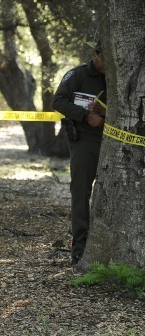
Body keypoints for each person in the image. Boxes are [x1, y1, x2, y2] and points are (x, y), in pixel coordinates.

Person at [52, 41, 106, 265]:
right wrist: (85, 116)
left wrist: (106, 111)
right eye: (104, 58)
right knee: (81, 192)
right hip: (84, 140)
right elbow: (58, 101)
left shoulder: (121, 75)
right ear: (96, 54)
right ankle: (80, 248)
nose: (107, 64)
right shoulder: (77, 75)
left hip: (113, 141)